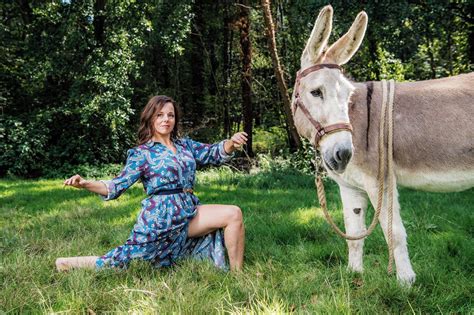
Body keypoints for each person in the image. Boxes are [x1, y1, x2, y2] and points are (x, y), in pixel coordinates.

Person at [56, 95, 248, 272]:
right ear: (151, 118)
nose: (166, 119)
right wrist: (85, 184)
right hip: (160, 219)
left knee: (233, 213)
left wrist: (231, 142)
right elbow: (115, 186)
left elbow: (213, 152)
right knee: (124, 261)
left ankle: (238, 275)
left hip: (188, 210)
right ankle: (67, 263)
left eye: (170, 115)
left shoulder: (185, 146)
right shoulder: (142, 153)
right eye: (160, 115)